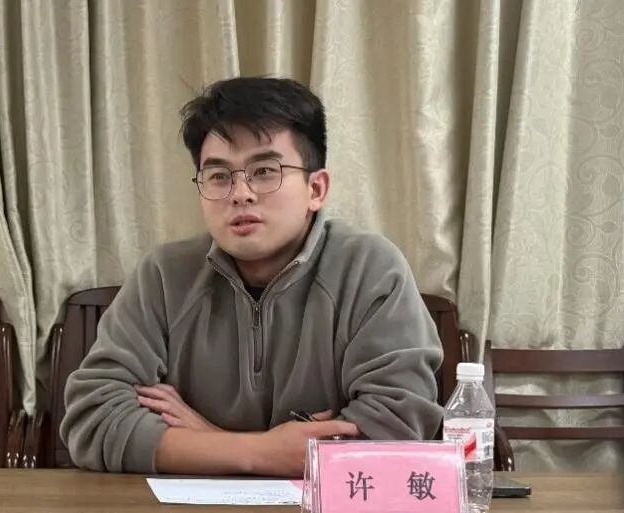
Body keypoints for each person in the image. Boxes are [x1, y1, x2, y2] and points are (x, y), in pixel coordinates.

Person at [60, 77, 443, 477]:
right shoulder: (164, 275)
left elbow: (394, 428)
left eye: (264, 171)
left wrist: (207, 438)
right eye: (219, 176)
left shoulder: (370, 269)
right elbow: (94, 418)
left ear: (316, 189)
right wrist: (259, 452)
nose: (240, 193)